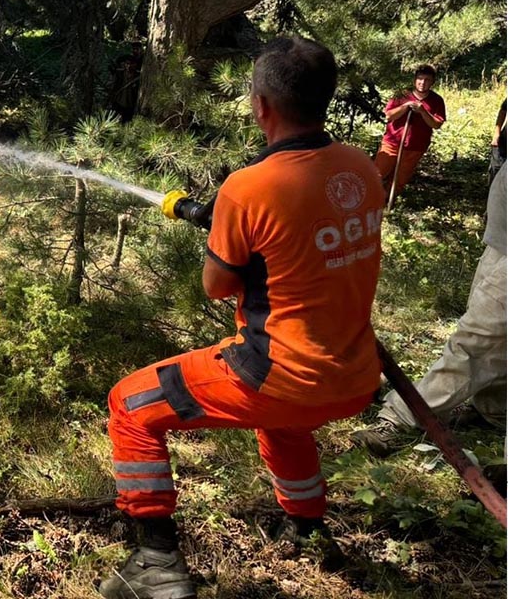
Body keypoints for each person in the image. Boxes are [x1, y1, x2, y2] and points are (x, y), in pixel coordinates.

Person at [99, 37, 386, 599]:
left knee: (130, 404)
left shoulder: (248, 188)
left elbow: (217, 285)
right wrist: (234, 224)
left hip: (278, 374)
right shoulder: (359, 167)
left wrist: (228, 224)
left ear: (262, 106)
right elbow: (301, 243)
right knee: (283, 422)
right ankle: (306, 527)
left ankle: (155, 561)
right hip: (353, 376)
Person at [351, 165, 507, 457]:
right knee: (497, 340)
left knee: (475, 342)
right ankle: (494, 409)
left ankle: (401, 418)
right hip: (501, 240)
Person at [374, 65, 446, 202]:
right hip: (392, 142)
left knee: (400, 178)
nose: (422, 83)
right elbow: (388, 116)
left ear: (432, 82)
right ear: (414, 80)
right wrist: (405, 106)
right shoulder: (402, 95)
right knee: (377, 173)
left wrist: (423, 111)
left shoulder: (436, 100)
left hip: (415, 146)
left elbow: (436, 124)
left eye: (427, 80)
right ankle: (366, 200)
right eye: (420, 79)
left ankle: (386, 203)